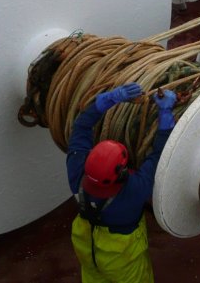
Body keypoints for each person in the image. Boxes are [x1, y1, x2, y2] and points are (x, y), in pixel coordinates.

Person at [66, 82, 176, 283]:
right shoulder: (134, 191)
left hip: (85, 243)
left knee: (92, 276)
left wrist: (108, 100)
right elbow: (159, 156)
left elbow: (81, 126)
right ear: (122, 172)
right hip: (121, 258)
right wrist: (166, 113)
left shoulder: (76, 170)